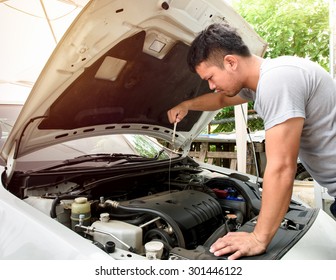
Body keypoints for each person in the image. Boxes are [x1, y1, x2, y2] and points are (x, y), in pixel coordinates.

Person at [167, 23, 336, 260]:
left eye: (211, 77)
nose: (211, 86)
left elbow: (281, 168)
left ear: (231, 62)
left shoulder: (278, 81)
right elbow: (220, 102)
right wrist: (186, 105)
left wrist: (258, 237)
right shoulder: (263, 81)